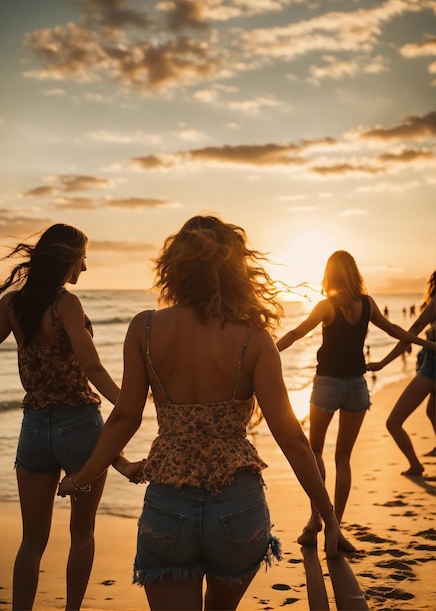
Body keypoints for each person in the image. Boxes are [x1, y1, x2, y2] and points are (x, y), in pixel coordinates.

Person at [58, 215, 356, 611]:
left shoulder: (144, 328)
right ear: (235, 270)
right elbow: (292, 439)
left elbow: (124, 419)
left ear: (174, 269)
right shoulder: (254, 337)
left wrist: (81, 477)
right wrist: (329, 518)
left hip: (168, 506)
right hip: (238, 507)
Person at [0, 223, 137, 611]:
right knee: (81, 533)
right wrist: (128, 403)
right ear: (68, 259)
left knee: (31, 541)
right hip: (79, 427)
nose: (84, 268)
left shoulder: (12, 305)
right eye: (83, 258)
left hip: (33, 430)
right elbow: (93, 367)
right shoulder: (66, 305)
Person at [276, 251, 436, 547]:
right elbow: (396, 331)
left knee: (315, 453)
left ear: (329, 275)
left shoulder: (326, 306)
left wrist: (268, 353)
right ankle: (336, 529)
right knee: (344, 458)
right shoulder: (367, 303)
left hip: (327, 385)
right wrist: (427, 343)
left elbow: (297, 333)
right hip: (357, 388)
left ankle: (316, 520)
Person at [367, 271, 436, 474]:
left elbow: (412, 331)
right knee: (432, 411)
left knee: (393, 422)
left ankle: (415, 464)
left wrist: (383, 362)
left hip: (433, 369)